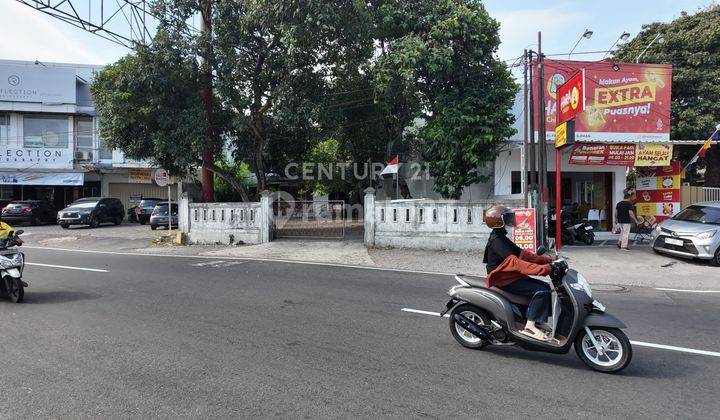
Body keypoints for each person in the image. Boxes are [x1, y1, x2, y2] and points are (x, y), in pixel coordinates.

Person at [482, 205, 555, 341]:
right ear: (498, 221)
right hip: (502, 278)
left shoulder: (501, 237)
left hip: (509, 275)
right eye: (507, 217)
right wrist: (543, 269)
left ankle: (534, 319)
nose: (511, 219)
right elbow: (516, 263)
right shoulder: (497, 241)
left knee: (545, 287)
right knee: (540, 291)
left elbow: (524, 255)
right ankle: (530, 326)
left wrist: (549, 260)